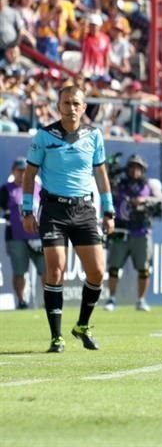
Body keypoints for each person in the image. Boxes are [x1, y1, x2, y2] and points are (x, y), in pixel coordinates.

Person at [23, 85, 115, 353]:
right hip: (53, 210)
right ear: (58, 106)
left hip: (84, 210)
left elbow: (101, 175)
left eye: (76, 103)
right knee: (55, 269)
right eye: (66, 103)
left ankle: (82, 326)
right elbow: (29, 174)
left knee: (97, 272)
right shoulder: (44, 135)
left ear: (84, 107)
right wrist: (27, 210)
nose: (71, 108)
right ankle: (56, 336)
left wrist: (109, 211)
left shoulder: (94, 136)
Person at [104, 154, 162, 312]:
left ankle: (141, 300)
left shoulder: (149, 186)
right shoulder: (119, 185)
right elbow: (106, 187)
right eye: (131, 167)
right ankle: (111, 298)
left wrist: (145, 201)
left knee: (143, 268)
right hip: (121, 230)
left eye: (138, 168)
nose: (134, 171)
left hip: (141, 231)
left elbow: (159, 201)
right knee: (114, 267)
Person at [0, 158, 45, 309]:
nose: (22, 174)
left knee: (45, 270)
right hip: (16, 238)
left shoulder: (38, 187)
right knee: (20, 271)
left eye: (25, 170)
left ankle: (49, 300)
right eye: (19, 170)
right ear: (13, 171)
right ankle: (21, 301)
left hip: (38, 237)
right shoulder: (6, 189)